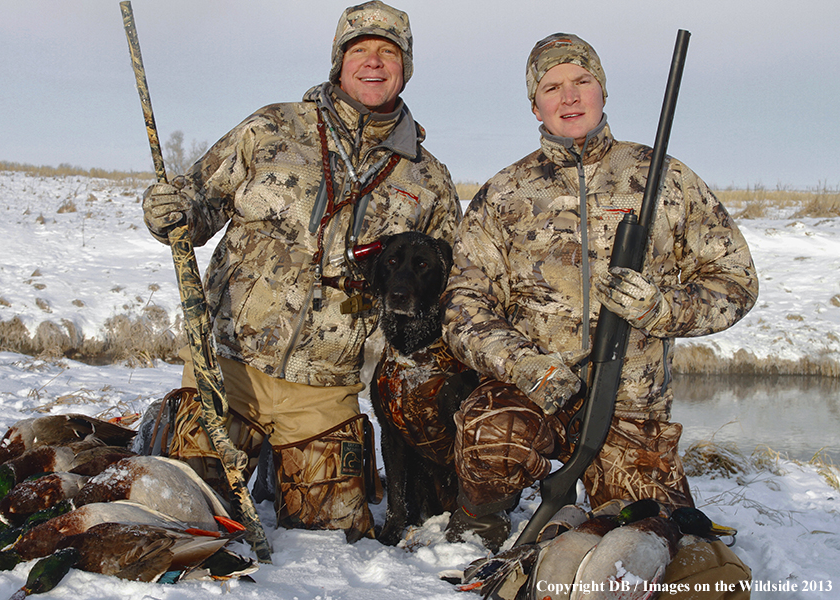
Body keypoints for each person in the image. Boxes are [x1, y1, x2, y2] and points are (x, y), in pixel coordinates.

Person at [141, 1, 461, 543]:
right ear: (339, 61)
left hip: (326, 387)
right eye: (360, 50)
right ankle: (168, 424)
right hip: (227, 369)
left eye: (388, 52)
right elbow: (197, 207)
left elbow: (452, 284)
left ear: (406, 66)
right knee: (183, 513)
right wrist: (171, 210)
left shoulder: (428, 178)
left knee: (332, 540)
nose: (374, 63)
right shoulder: (272, 128)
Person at [441, 33, 758, 555]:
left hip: (632, 402)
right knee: (491, 431)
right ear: (535, 104)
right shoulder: (505, 192)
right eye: (552, 87)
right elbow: (463, 308)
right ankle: (480, 520)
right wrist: (529, 367)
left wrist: (660, 307)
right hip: (536, 392)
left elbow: (736, 281)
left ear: (602, 91)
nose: (569, 97)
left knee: (652, 540)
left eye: (581, 81)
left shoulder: (664, 177)